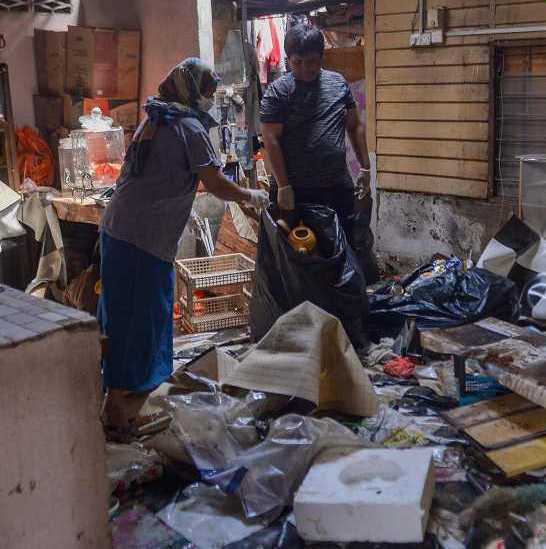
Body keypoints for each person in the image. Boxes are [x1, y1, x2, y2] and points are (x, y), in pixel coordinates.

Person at [97, 58, 269, 440]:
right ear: (190, 90)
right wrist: (253, 196)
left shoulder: (158, 116)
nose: (209, 99)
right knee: (132, 320)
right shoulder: (188, 125)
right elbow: (216, 184)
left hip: (123, 230)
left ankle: (142, 386)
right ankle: (114, 412)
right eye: (207, 92)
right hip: (139, 236)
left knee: (144, 312)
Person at [260, 25, 371, 245]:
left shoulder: (338, 84)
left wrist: (365, 168)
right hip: (295, 190)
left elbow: (354, 126)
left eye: (310, 61)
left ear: (322, 56)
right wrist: (284, 187)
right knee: (298, 257)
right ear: (288, 59)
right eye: (296, 62)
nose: (304, 69)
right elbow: (271, 140)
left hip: (336, 186)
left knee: (342, 251)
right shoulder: (278, 91)